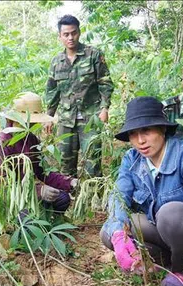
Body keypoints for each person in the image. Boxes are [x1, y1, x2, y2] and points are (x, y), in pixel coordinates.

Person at [100, 96, 183, 286]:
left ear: (162, 129)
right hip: (166, 233)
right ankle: (157, 263)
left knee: (170, 214)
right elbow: (119, 196)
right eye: (133, 134)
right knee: (109, 231)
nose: (140, 141)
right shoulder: (132, 160)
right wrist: (118, 235)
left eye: (147, 131)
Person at [45, 14, 114, 177]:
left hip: (91, 117)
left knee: (92, 163)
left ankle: (93, 198)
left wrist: (104, 109)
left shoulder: (94, 55)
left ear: (79, 32)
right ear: (60, 36)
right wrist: (49, 116)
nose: (70, 38)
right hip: (66, 120)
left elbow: (105, 83)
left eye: (73, 33)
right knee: (65, 163)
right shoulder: (56, 62)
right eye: (66, 34)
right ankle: (68, 199)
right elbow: (52, 91)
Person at [0, 92, 77, 213]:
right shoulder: (0, 143)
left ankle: (46, 219)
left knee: (62, 199)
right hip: (8, 197)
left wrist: (69, 182)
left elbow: (43, 172)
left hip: (28, 193)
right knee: (26, 216)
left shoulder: (31, 139)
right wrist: (39, 191)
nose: (33, 124)